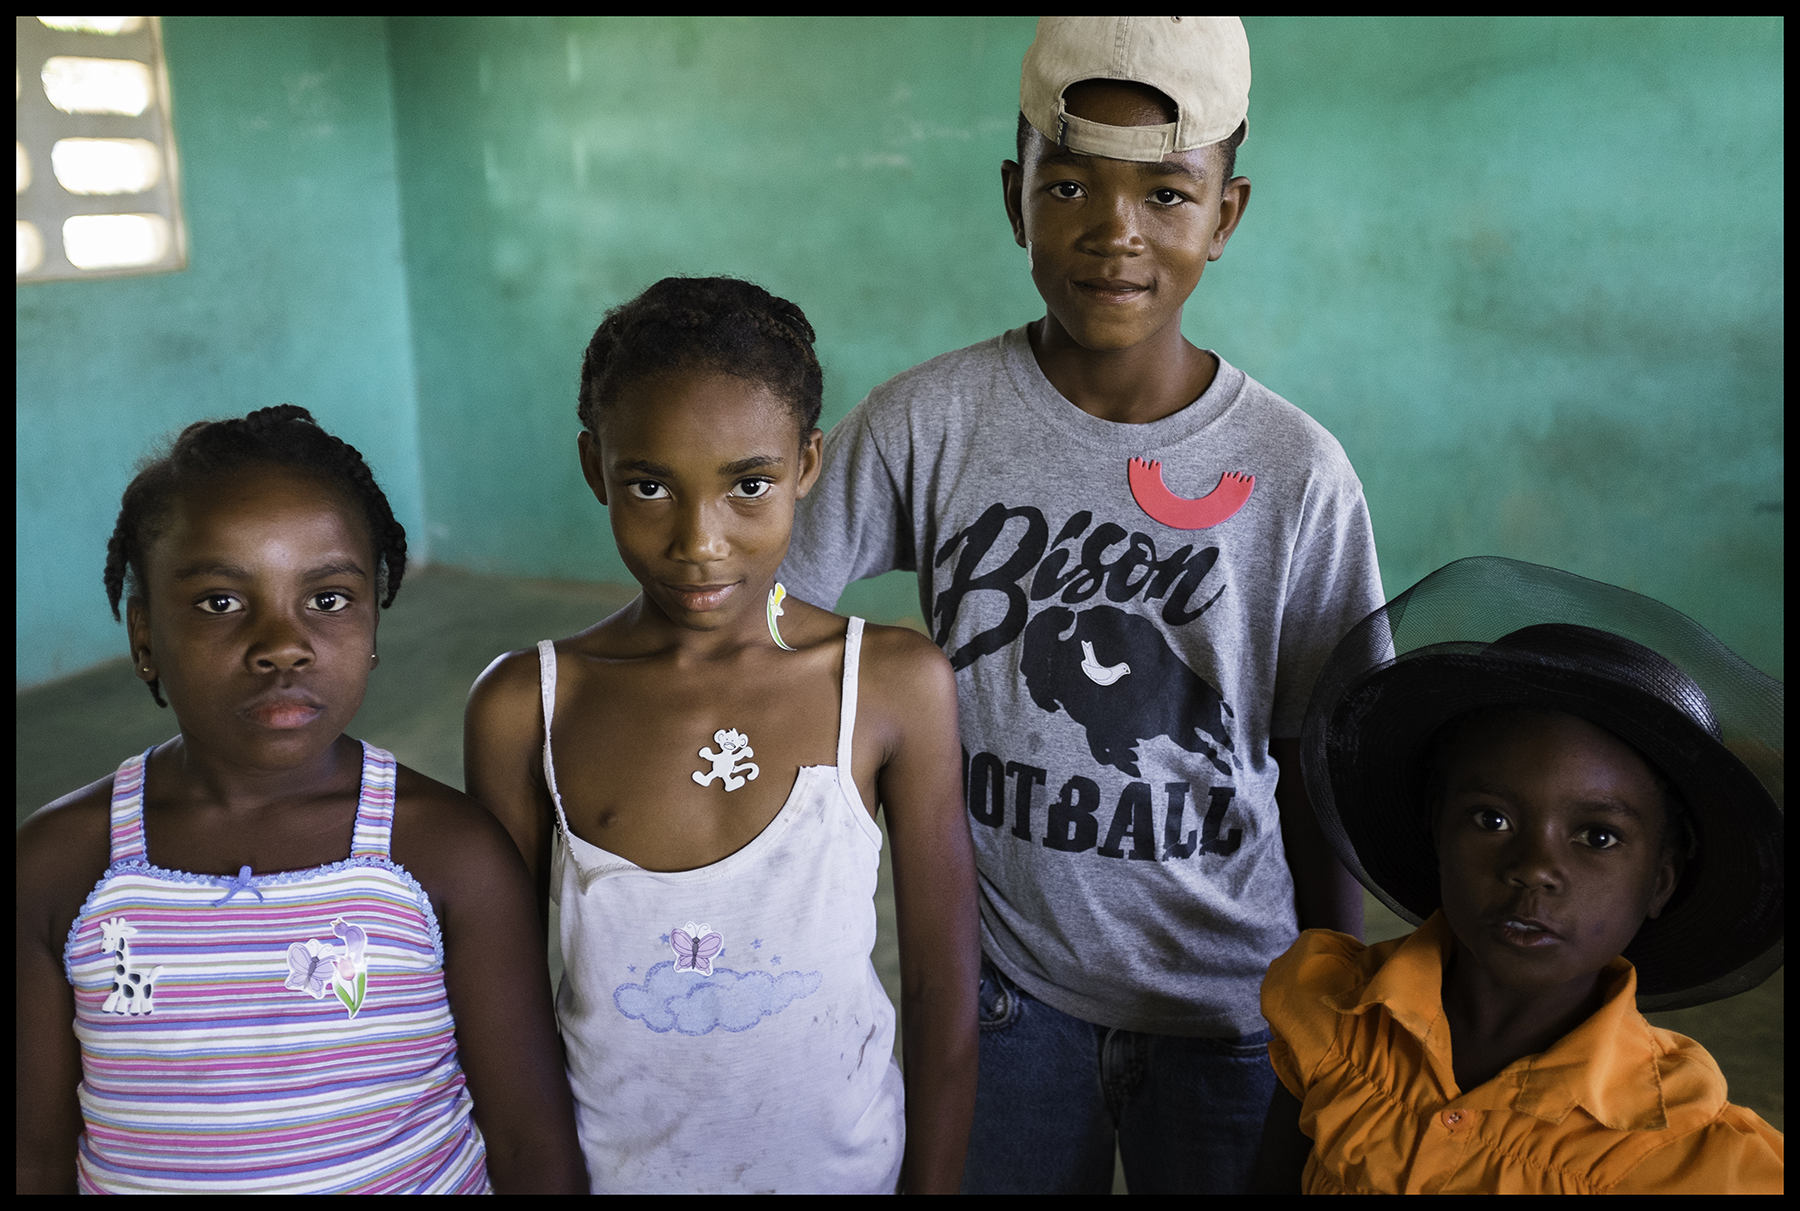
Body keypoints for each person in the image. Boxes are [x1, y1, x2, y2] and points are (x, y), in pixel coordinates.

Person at [776, 17, 1381, 1193]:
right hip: (1007, 998)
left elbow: (1325, 758)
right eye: (1070, 185)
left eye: (1165, 192)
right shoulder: (930, 422)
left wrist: (1340, 1005)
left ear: (1227, 214)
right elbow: (768, 606)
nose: (1116, 233)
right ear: (1016, 201)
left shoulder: (1296, 472)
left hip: (1233, 1005)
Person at [462, 276, 979, 1194]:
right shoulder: (529, 705)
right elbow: (503, 1015)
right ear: (595, 469)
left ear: (808, 464)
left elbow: (943, 992)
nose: (700, 541)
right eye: (650, 485)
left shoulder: (891, 685)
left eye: (749, 485)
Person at [14, 406, 586, 1195]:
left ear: (375, 620)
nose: (281, 642)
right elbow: (34, 1156)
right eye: (221, 601)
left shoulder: (446, 854)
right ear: (144, 635)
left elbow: (532, 1147)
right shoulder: (62, 865)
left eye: (327, 599)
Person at [1252, 556, 1784, 1194]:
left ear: (1662, 882)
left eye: (1598, 836)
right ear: (1436, 831)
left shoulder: (1682, 1154)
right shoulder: (1333, 1016)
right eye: (1491, 819)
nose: (1533, 868)